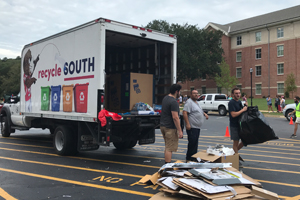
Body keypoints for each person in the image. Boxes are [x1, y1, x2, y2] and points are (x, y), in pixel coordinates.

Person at [183, 90, 209, 162]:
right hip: (192, 127)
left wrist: (204, 114)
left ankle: (193, 157)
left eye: (197, 93)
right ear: (191, 94)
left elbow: (199, 110)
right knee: (192, 143)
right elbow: (185, 113)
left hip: (197, 127)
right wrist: (188, 124)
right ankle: (189, 158)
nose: (196, 95)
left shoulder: (196, 103)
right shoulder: (189, 102)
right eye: (194, 93)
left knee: (195, 143)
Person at [160, 84, 183, 163]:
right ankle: (167, 167)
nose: (180, 93)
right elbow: (175, 117)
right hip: (170, 127)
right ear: (176, 92)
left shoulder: (165, 98)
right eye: (179, 91)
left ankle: (166, 165)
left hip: (163, 125)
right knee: (170, 148)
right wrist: (180, 130)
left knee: (167, 146)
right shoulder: (173, 102)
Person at [228, 87, 248, 155]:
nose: (238, 95)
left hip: (240, 125)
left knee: (245, 141)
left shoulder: (239, 102)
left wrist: (245, 107)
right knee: (235, 143)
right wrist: (243, 110)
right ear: (233, 94)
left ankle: (233, 153)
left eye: (239, 93)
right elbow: (233, 114)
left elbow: (242, 112)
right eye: (236, 93)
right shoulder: (231, 103)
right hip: (234, 125)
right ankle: (236, 159)